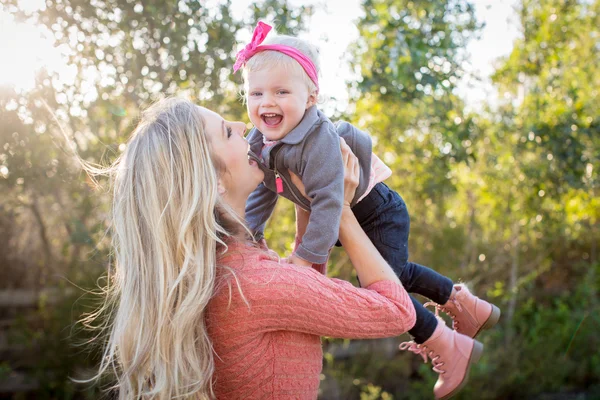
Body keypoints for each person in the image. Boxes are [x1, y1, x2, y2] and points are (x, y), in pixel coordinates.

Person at [236, 21, 501, 399]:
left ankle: (452, 348)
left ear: (311, 97)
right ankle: (465, 303)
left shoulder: (318, 139)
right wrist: (249, 234)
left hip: (379, 215)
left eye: (281, 91)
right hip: (353, 221)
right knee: (400, 272)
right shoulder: (260, 139)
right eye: (256, 92)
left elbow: (330, 202)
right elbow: (264, 189)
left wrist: (305, 260)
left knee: (383, 288)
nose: (267, 103)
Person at [91, 97, 417, 399]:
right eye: (226, 132)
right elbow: (396, 312)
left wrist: (314, 197)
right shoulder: (253, 285)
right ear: (213, 179)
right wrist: (342, 213)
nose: (242, 126)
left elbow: (304, 291)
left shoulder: (225, 263)